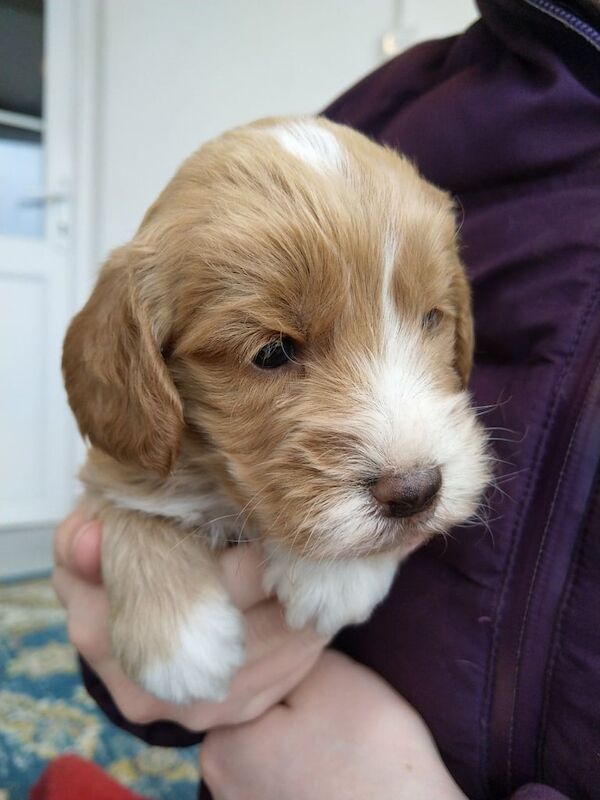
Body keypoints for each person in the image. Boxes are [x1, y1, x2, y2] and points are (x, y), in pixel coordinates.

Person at [53, 0, 600, 797]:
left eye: (430, 319)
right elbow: (122, 477)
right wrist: (138, 599)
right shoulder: (395, 102)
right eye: (273, 352)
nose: (406, 460)